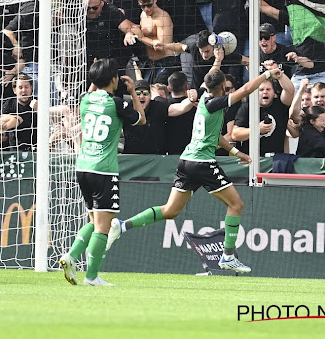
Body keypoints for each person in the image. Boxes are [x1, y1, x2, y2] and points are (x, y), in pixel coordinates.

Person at [108, 66, 288, 274]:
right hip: (202, 163)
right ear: (223, 87)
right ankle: (228, 256)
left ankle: (122, 225)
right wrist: (267, 74)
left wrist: (235, 153)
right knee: (236, 204)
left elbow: (215, 136)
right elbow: (247, 89)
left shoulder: (202, 100)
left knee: (170, 210)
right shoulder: (215, 102)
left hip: (187, 161)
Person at [58, 59, 146, 287]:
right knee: (103, 226)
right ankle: (91, 276)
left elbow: (93, 92)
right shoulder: (117, 103)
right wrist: (133, 92)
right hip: (104, 170)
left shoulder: (85, 100)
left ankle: (71, 256)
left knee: (95, 220)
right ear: (115, 79)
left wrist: (96, 76)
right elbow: (141, 119)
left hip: (83, 167)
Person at [231, 62, 295, 154]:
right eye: (261, 90)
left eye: (268, 89)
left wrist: (279, 74)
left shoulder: (280, 105)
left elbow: (290, 90)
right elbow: (235, 134)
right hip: (252, 159)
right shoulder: (247, 107)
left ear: (274, 93)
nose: (265, 92)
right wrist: (257, 129)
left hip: (276, 160)